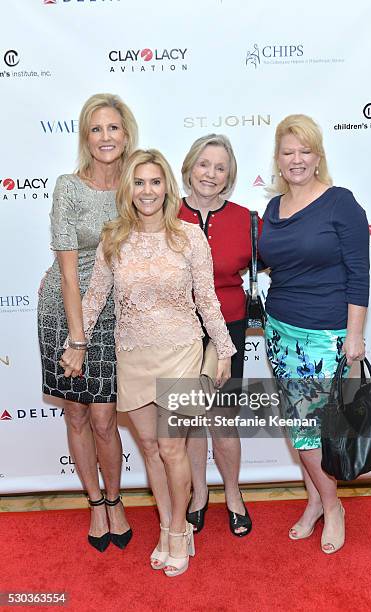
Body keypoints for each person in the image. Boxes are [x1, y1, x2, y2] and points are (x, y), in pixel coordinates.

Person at [60, 148, 236, 576]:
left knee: (174, 447)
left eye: (155, 181)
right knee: (152, 449)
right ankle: (165, 525)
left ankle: (179, 530)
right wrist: (75, 343)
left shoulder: (189, 237)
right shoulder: (114, 238)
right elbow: (96, 297)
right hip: (133, 354)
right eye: (138, 182)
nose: (147, 190)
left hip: (180, 352)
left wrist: (225, 349)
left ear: (167, 187)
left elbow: (207, 299)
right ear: (128, 189)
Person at [259, 114, 369, 554]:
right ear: (279, 160)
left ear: (318, 156)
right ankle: (315, 502)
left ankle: (332, 505)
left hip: (325, 335)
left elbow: (359, 275)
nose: (297, 159)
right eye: (288, 152)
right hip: (280, 331)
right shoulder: (272, 208)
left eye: (305, 151)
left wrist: (355, 337)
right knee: (299, 426)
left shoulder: (340, 202)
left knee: (310, 430)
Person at [38, 93, 138, 552]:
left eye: (113, 128)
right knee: (77, 413)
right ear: (85, 136)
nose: (105, 137)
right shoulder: (67, 187)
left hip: (116, 309)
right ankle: (95, 503)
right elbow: (67, 270)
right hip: (65, 309)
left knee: (104, 418)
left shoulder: (136, 185)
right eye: (96, 129)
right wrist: (76, 338)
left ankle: (116, 499)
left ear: (126, 133)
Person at [179, 134, 262, 536]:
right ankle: (198, 494)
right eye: (203, 164)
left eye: (220, 167)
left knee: (223, 420)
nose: (210, 174)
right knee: (190, 421)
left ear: (230, 176)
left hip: (227, 329)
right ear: (189, 167)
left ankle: (232, 494)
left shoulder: (247, 219)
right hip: (177, 331)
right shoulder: (165, 213)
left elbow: (285, 261)